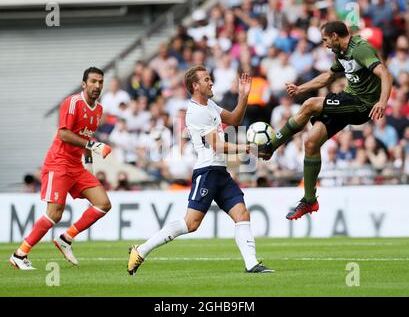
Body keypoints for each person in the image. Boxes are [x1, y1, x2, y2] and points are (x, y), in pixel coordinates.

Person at [127, 65, 273, 275]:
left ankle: (251, 264)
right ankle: (141, 250)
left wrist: (243, 96)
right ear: (195, 86)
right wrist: (248, 148)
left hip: (219, 171)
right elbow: (218, 146)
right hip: (207, 172)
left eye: (210, 78)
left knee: (242, 213)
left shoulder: (210, 104)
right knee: (191, 223)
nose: (211, 82)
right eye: (206, 79)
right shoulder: (196, 112)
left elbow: (234, 120)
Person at [265, 21, 392, 220]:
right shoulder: (341, 52)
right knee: (311, 141)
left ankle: (270, 146)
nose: (324, 44)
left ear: (334, 36)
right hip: (348, 100)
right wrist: (301, 88)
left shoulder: (360, 50)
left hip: (362, 105)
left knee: (309, 105)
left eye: (325, 39)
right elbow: (328, 77)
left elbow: (384, 73)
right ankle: (309, 200)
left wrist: (382, 102)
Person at [10, 67, 113, 270]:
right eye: (93, 81)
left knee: (103, 204)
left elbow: (86, 139)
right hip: (58, 163)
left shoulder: (98, 110)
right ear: (84, 84)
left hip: (76, 166)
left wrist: (90, 166)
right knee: (54, 214)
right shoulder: (72, 103)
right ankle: (19, 255)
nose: (97, 86)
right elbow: (64, 134)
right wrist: (94, 146)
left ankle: (66, 238)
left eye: (100, 82)